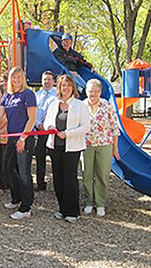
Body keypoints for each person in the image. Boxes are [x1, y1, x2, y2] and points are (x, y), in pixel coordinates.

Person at [0, 66, 37, 220]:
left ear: (23, 79)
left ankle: (26, 207)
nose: (16, 80)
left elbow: (32, 119)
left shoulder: (28, 94)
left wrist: (23, 138)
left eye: (19, 77)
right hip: (12, 139)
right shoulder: (8, 96)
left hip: (24, 138)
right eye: (14, 77)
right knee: (7, 167)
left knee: (24, 173)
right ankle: (16, 197)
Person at [44, 75, 90, 223]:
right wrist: (50, 126)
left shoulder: (80, 105)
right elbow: (46, 122)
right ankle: (62, 208)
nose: (66, 88)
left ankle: (72, 211)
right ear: (59, 87)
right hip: (54, 146)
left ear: (73, 88)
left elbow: (85, 127)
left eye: (68, 85)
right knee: (57, 178)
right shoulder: (54, 104)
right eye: (63, 85)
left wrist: (67, 134)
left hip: (72, 147)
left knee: (70, 179)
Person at [83, 79, 120, 217]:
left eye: (96, 91)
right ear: (86, 91)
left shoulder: (107, 105)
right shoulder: (82, 105)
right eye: (90, 91)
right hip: (86, 145)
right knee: (86, 174)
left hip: (104, 145)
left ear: (100, 91)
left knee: (102, 175)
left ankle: (100, 203)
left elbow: (114, 127)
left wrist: (115, 148)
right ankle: (89, 202)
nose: (93, 94)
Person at [34, 71, 56, 192]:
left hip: (51, 131)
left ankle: (57, 182)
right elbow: (32, 112)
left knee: (54, 158)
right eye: (44, 79)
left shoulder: (57, 95)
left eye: (49, 79)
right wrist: (38, 124)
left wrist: (47, 125)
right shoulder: (36, 95)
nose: (46, 82)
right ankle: (40, 183)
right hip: (39, 131)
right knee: (39, 157)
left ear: (53, 81)